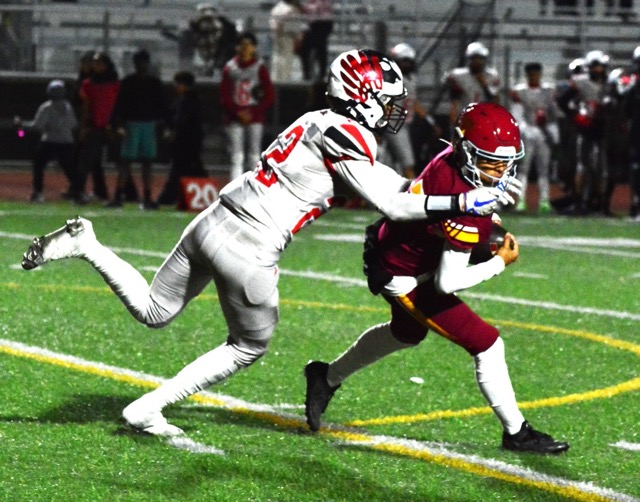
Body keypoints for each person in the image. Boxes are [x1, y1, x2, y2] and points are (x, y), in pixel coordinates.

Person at [21, 49, 519, 438]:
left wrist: (445, 192)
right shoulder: (346, 135)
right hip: (252, 244)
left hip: (212, 220)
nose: (396, 109)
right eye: (388, 99)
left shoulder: (312, 121)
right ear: (362, 97)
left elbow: (393, 186)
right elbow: (395, 205)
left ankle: (89, 245)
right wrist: (470, 199)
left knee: (155, 310)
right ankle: (147, 407)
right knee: (247, 345)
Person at [304, 102, 569, 455]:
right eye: (489, 160)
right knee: (488, 344)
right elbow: (446, 283)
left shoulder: (448, 157)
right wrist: (499, 262)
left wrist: (479, 229)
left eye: (505, 160)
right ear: (464, 149)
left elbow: (439, 213)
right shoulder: (466, 201)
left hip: (396, 245)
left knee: (406, 332)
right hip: (406, 272)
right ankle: (516, 432)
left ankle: (325, 376)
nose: (500, 170)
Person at [107, 49, 166, 210]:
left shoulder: (150, 83)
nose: (142, 66)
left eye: (144, 62)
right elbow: (120, 104)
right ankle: (123, 196)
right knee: (128, 162)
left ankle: (142, 196)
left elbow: (161, 105)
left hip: (144, 124)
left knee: (142, 162)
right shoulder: (131, 82)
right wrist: (117, 124)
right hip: (135, 124)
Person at [557, 49, 610, 215]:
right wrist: (575, 116)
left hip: (604, 127)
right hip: (586, 127)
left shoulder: (611, 83)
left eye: (601, 66)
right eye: (595, 66)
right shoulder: (581, 81)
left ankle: (600, 203)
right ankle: (579, 202)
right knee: (583, 166)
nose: (598, 70)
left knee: (602, 169)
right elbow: (562, 100)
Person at [14, 79, 81, 203]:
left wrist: (21, 125)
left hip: (49, 141)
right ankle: (78, 192)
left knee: (38, 166)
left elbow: (37, 126)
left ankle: (38, 193)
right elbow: (74, 124)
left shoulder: (46, 107)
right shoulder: (68, 106)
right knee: (70, 168)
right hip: (67, 142)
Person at [220, 32, 275, 181]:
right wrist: (238, 112)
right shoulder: (230, 68)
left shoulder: (259, 68)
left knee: (254, 156)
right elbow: (225, 95)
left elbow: (269, 95)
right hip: (235, 116)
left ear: (254, 47)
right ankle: (235, 191)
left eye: (248, 45)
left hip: (254, 116)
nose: (245, 48)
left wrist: (253, 111)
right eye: (242, 45)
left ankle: (254, 190)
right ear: (236, 47)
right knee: (236, 156)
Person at [509, 62, 560, 214]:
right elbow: (516, 114)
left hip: (544, 132)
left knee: (544, 169)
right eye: (531, 74)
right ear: (527, 75)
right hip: (528, 131)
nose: (534, 77)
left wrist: (553, 131)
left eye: (536, 74)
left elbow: (553, 113)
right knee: (523, 168)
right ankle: (521, 200)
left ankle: (544, 200)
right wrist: (523, 130)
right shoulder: (520, 91)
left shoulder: (549, 90)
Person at [156, 70, 207, 206]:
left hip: (184, 142)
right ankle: (202, 195)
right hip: (192, 141)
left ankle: (167, 198)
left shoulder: (185, 101)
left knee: (178, 170)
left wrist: (173, 132)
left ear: (182, 84)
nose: (174, 87)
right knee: (193, 169)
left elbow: (180, 120)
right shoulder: (194, 99)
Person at [77, 52, 120, 202]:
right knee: (87, 161)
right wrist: (84, 127)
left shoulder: (115, 83)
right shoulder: (88, 84)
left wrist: (117, 124)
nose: (95, 66)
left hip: (111, 127)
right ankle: (79, 192)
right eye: (94, 63)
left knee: (121, 161)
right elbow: (86, 107)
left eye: (99, 63)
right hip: (95, 126)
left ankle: (121, 194)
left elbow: (119, 104)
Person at [442, 41, 500, 129]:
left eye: (480, 58)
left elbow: (495, 99)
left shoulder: (491, 75)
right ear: (469, 59)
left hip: (484, 118)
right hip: (463, 117)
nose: (478, 62)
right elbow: (454, 99)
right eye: (474, 58)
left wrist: (484, 85)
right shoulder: (459, 75)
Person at [269, 0, 305, 83]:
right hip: (285, 37)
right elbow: (278, 25)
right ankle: (281, 81)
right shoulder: (289, 9)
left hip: (283, 37)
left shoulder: (278, 7)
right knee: (283, 61)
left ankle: (279, 80)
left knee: (281, 60)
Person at [624, 46, 640, 218]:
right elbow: (626, 110)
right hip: (637, 133)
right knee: (636, 170)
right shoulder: (633, 87)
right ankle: (636, 203)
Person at [299, 0, 334, 81]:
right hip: (315, 23)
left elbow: (316, 8)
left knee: (320, 48)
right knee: (308, 49)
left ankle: (320, 74)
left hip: (322, 22)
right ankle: (309, 74)